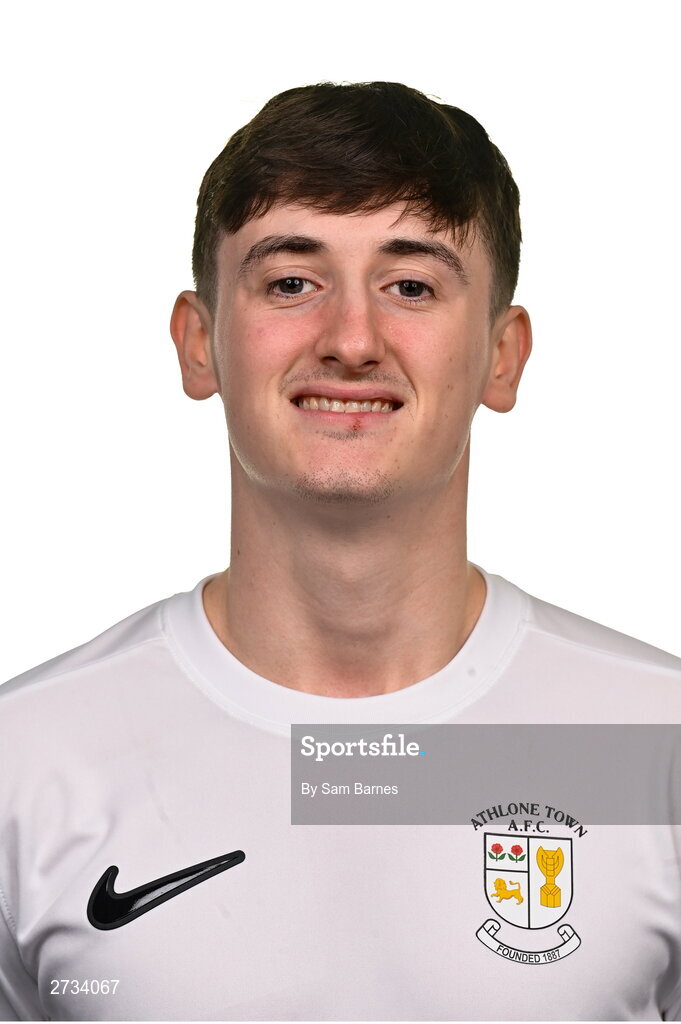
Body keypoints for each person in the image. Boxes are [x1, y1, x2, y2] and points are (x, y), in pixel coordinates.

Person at [1, 80, 680, 1022]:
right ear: (199, 345)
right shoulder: (27, 760)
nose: (352, 340)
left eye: (410, 285)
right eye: (291, 282)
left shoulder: (653, 744)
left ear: (501, 355)